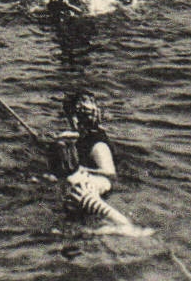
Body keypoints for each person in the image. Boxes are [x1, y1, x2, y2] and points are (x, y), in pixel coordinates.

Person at [47, 91, 139, 232]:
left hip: (100, 188)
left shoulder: (97, 145)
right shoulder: (85, 136)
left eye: (71, 116)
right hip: (93, 187)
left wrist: (82, 170)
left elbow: (110, 173)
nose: (71, 121)